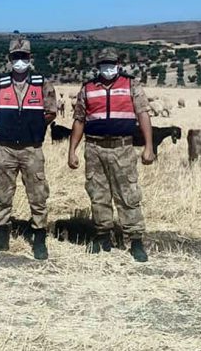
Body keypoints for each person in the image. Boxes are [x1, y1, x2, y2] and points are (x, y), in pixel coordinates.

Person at [67, 47, 154, 262]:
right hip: (94, 148)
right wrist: (72, 150)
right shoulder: (88, 88)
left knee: (128, 194)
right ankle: (102, 235)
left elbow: (143, 114)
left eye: (111, 63)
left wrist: (149, 146)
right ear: (98, 66)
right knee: (98, 194)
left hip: (122, 148)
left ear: (118, 64)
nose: (108, 68)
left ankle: (135, 240)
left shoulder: (130, 84)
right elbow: (79, 120)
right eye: (104, 64)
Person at [0, 38, 57, 260]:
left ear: (30, 58)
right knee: (1, 193)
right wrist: (9, 128)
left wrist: (32, 127)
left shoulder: (42, 84)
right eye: (16, 57)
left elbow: (51, 111)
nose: (20, 61)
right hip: (5, 148)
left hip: (32, 149)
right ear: (10, 59)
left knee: (38, 194)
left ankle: (39, 239)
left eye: (24, 57)